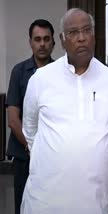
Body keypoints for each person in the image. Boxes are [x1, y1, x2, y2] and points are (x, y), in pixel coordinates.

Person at [21, 8, 108, 214]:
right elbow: (30, 130)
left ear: (94, 36)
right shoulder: (40, 80)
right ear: (61, 40)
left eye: (86, 30)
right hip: (45, 202)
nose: (81, 38)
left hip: (100, 203)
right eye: (73, 32)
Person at [6, 19, 55, 214]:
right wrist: (32, 146)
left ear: (54, 42)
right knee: (23, 205)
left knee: (50, 205)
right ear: (30, 42)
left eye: (46, 39)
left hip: (53, 156)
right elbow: (12, 118)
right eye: (37, 39)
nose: (42, 44)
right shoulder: (19, 72)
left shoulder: (62, 72)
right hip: (24, 154)